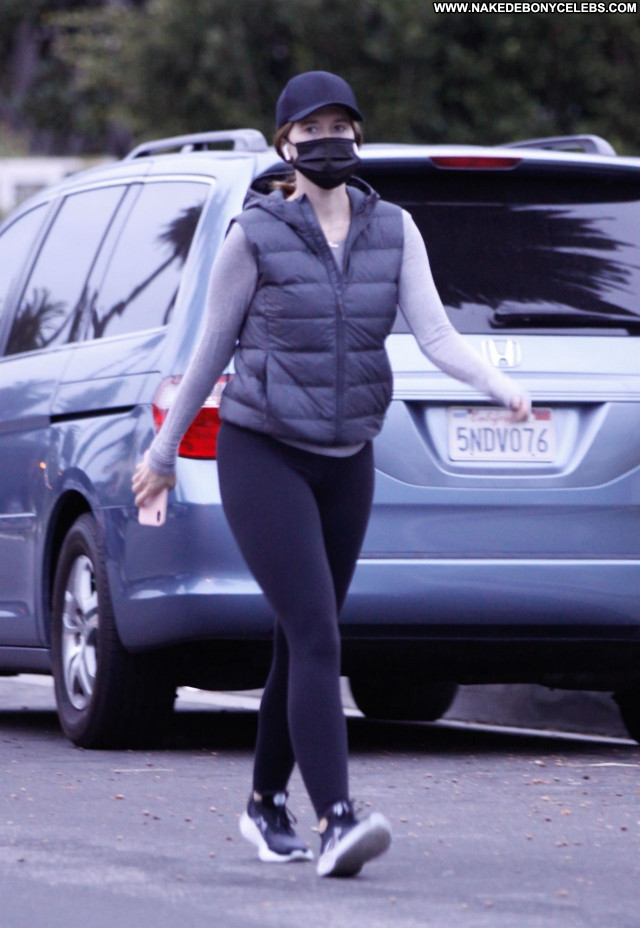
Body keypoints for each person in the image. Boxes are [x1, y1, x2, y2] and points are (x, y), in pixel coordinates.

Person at [132, 70, 531, 878]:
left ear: (358, 136)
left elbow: (436, 335)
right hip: (263, 450)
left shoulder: (396, 230)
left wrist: (501, 386)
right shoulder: (255, 235)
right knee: (318, 632)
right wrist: (162, 453)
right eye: (310, 131)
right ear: (285, 145)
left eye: (340, 127)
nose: (327, 142)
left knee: (299, 638)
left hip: (349, 457)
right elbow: (209, 350)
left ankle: (263, 804)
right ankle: (337, 817)